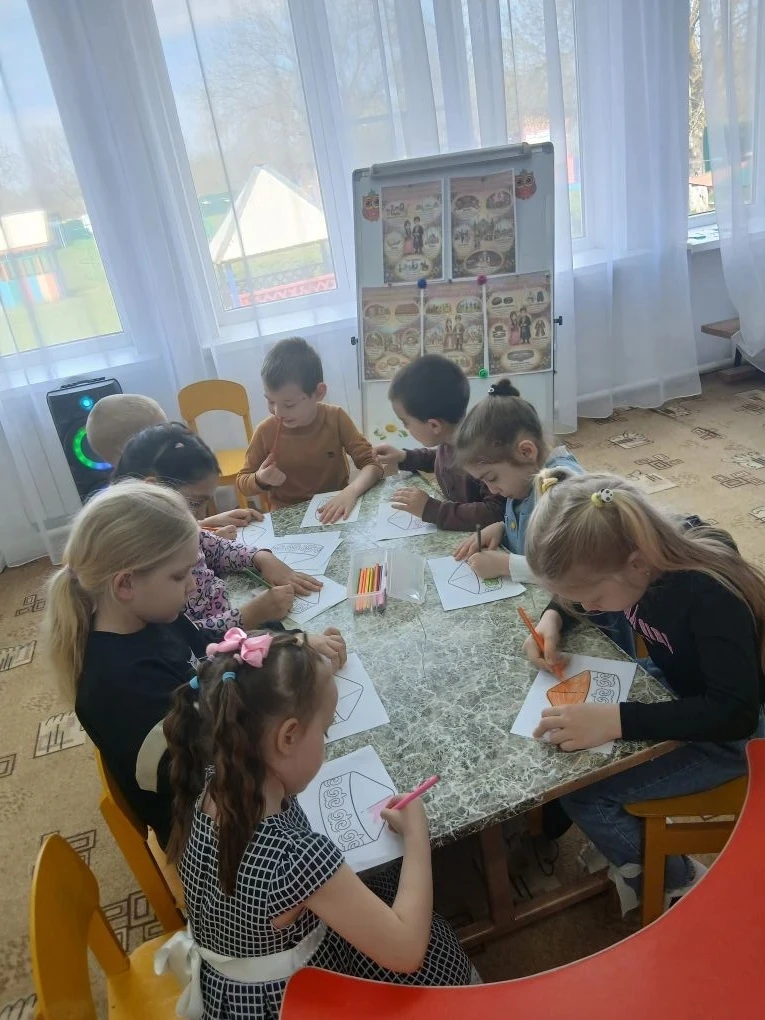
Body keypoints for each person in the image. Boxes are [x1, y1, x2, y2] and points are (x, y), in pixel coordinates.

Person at [156, 629, 474, 1017]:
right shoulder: (297, 858)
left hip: (230, 989)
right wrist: (417, 833)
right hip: (291, 1001)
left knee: (383, 888)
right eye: (324, 731)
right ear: (288, 736)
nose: (326, 741)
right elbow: (406, 951)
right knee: (437, 956)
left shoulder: (209, 786)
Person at [44, 479, 348, 847]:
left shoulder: (153, 615)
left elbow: (212, 650)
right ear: (125, 585)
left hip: (227, 774)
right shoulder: (115, 687)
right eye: (179, 575)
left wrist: (288, 647)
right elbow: (200, 778)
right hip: (208, 834)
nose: (192, 585)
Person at [521, 468, 765, 912]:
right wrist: (552, 617)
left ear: (636, 565)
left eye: (593, 598)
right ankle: (624, 845)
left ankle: (679, 883)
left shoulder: (707, 593)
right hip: (683, 682)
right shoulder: (634, 556)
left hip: (737, 732)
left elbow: (735, 713)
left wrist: (616, 720)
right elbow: (584, 583)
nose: (587, 608)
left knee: (584, 793)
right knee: (575, 750)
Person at [451, 379, 635, 656]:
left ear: (526, 452)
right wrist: (501, 527)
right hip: (549, 608)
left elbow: (577, 568)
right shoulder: (524, 478)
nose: (491, 490)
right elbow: (533, 531)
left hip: (589, 617)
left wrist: (505, 565)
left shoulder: (563, 488)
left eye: (492, 478)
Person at [114, 422, 321, 634]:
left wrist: (260, 557)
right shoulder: (140, 563)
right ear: (153, 490)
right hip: (218, 643)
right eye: (194, 503)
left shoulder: (171, 525)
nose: (200, 517)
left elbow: (214, 546)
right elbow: (178, 640)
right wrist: (249, 615)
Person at [237, 337, 383, 521]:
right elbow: (242, 482)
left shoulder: (335, 418)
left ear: (319, 393)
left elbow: (373, 465)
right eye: (270, 401)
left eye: (288, 404)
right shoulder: (265, 431)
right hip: (286, 515)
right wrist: (260, 478)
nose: (278, 412)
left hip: (334, 509)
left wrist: (350, 492)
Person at [87, 392, 256, 537]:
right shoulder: (128, 509)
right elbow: (166, 544)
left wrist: (210, 522)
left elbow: (173, 523)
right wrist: (212, 538)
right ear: (132, 449)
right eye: (160, 433)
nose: (173, 438)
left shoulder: (139, 489)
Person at [374, 355, 504, 530]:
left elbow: (495, 512)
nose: (406, 428)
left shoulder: (481, 454)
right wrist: (404, 457)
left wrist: (432, 510)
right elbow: (439, 460)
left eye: (406, 422)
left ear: (434, 425)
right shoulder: (449, 441)